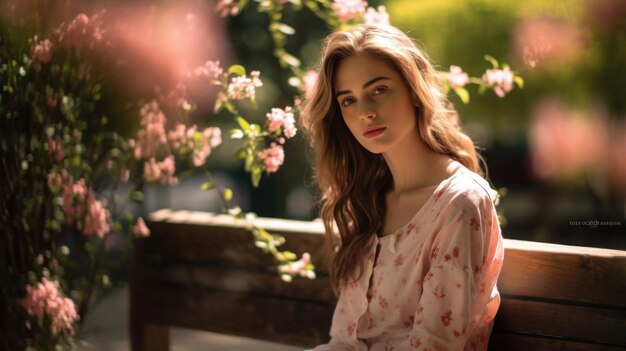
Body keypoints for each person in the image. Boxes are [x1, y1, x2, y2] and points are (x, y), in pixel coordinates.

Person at [299, 23, 504, 351]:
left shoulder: (459, 203)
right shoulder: (366, 200)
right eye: (348, 100)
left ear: (413, 89)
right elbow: (344, 341)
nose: (365, 112)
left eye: (378, 89)